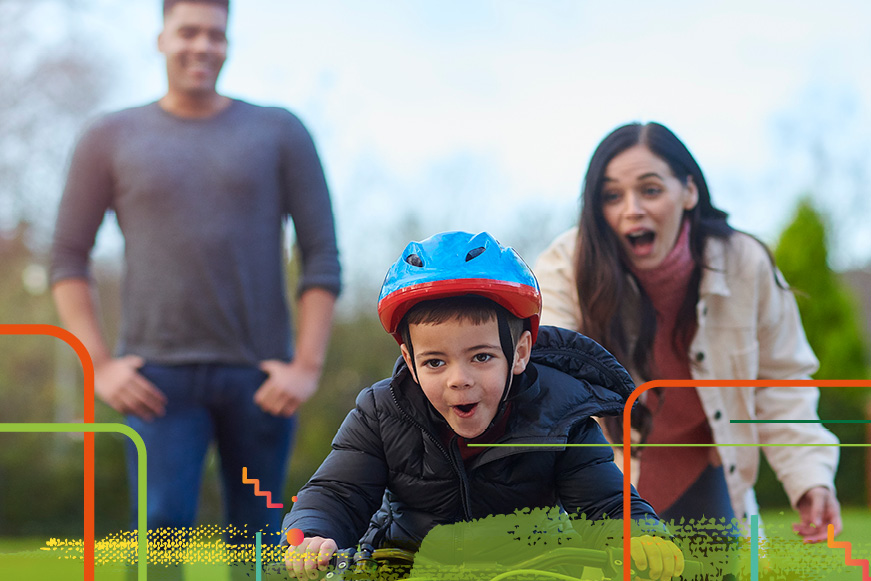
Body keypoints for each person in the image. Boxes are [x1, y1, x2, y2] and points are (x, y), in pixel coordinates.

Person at [50, 0, 340, 548]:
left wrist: (307, 365)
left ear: (227, 42)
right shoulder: (109, 137)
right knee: (161, 537)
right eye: (187, 32)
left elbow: (321, 254)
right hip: (156, 384)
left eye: (215, 35)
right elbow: (67, 257)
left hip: (260, 382)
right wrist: (99, 368)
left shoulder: (279, 132)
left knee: (255, 542)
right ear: (161, 37)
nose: (201, 46)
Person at [282, 231, 686, 581]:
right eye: (435, 362)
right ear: (410, 362)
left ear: (520, 353)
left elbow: (605, 502)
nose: (459, 379)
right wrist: (314, 532)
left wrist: (641, 535)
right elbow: (337, 492)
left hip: (529, 567)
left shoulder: (562, 418)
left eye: (481, 357)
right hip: (412, 564)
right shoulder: (381, 413)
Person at [534, 121, 841, 542]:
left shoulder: (744, 263)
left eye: (651, 189)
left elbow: (782, 382)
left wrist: (810, 478)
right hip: (609, 482)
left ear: (689, 191)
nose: (632, 209)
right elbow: (544, 378)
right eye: (612, 195)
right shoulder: (566, 265)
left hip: (707, 478)